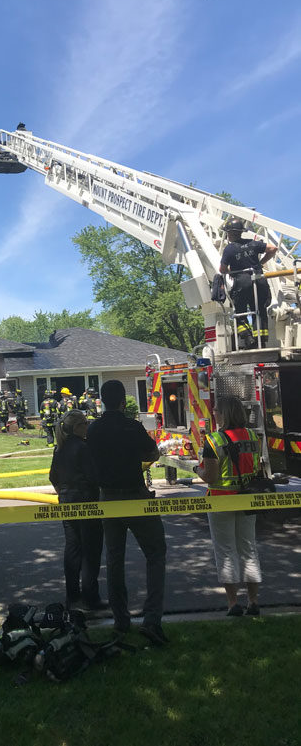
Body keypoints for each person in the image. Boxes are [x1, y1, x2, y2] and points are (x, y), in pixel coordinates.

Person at [87, 380, 167, 646]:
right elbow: (153, 452)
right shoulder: (133, 427)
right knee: (155, 553)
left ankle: (121, 621)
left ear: (102, 401)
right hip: (135, 496)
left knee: (114, 560)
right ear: (123, 401)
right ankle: (152, 620)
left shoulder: (93, 429)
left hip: (107, 499)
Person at [196, 395, 263, 616]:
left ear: (224, 413)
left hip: (220, 500)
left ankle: (233, 604)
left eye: (216, 409)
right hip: (247, 499)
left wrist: (197, 470)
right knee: (248, 549)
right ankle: (253, 602)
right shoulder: (254, 436)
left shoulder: (213, 441)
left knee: (225, 551)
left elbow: (210, 476)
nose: (213, 412)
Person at [49, 409, 105, 612]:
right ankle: (91, 598)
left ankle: (72, 597)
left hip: (66, 500)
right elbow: (94, 477)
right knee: (91, 550)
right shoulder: (83, 447)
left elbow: (53, 477)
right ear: (78, 427)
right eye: (86, 423)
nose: (88, 427)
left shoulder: (59, 448)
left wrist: (64, 493)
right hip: (86, 500)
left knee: (72, 548)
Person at [220, 217, 277, 349]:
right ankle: (261, 341)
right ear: (241, 232)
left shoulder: (229, 249)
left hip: (242, 282)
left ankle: (248, 338)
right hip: (259, 280)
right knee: (259, 310)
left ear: (229, 233)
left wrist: (233, 271)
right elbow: (273, 248)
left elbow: (222, 269)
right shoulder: (253, 243)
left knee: (239, 310)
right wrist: (261, 263)